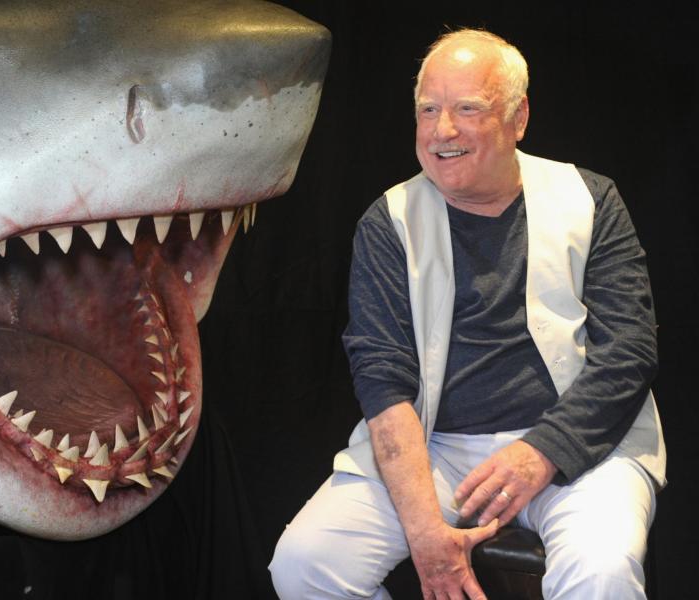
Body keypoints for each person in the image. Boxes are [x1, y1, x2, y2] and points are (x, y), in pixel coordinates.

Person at [269, 29, 665, 599]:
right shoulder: (389, 221)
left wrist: (543, 451)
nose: (441, 131)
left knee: (601, 569)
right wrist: (426, 528)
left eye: (467, 109)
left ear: (517, 116)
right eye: (428, 110)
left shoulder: (590, 198)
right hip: (437, 447)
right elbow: (383, 379)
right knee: (306, 565)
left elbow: (629, 351)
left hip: (579, 442)